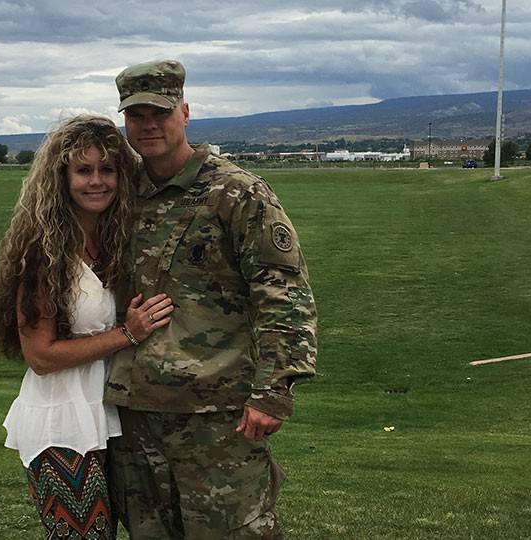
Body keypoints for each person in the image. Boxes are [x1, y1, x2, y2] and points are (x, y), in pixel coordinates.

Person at [105, 60, 318, 539]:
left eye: (160, 113)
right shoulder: (120, 195)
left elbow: (284, 295)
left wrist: (273, 392)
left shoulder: (237, 193)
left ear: (184, 112)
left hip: (217, 416)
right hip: (136, 414)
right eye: (136, 115)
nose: (148, 125)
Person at [0, 115, 175, 540]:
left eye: (107, 169)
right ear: (61, 178)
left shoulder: (114, 242)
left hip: (109, 414)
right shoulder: (43, 253)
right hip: (61, 421)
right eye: (83, 170)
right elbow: (40, 356)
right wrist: (127, 334)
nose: (97, 181)